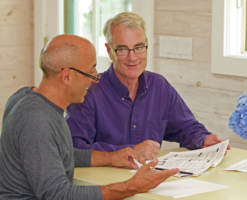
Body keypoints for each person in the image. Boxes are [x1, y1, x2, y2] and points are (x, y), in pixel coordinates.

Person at [0, 34, 178, 200]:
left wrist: (110, 157)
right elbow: (57, 194)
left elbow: (55, 154)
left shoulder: (25, 97)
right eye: (90, 71)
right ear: (67, 76)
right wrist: (131, 187)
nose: (95, 79)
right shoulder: (37, 120)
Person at [66, 12, 227, 161]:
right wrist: (130, 150)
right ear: (109, 51)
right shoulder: (88, 92)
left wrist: (204, 139)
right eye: (122, 49)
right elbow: (73, 150)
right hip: (104, 186)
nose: (132, 57)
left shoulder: (159, 86)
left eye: (139, 47)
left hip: (148, 185)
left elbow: (186, 127)